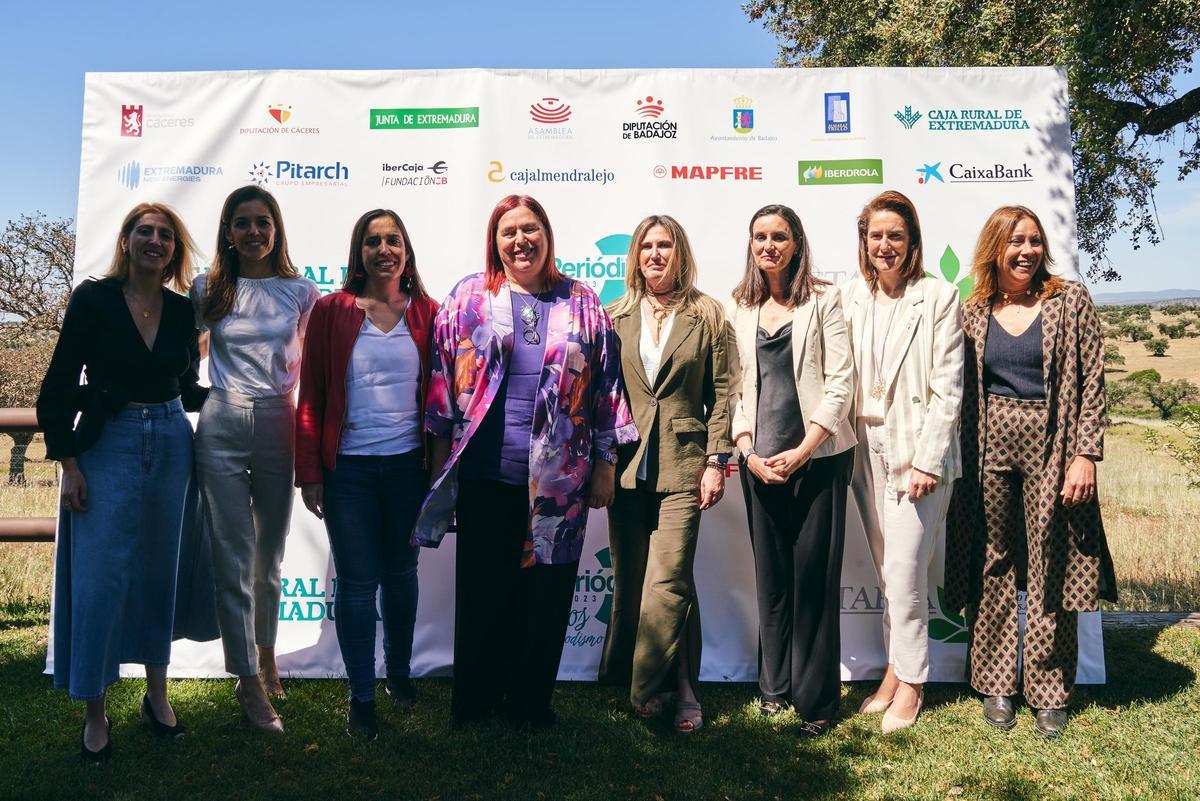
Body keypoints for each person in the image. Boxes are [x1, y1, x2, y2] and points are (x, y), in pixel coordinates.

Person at [413, 194, 637, 729]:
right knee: (484, 592)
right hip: (487, 474)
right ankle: (475, 704)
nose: (520, 240)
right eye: (509, 231)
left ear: (547, 234)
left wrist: (606, 463)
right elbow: (442, 386)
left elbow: (606, 386)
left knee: (546, 595)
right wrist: (440, 471)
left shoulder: (581, 300)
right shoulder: (469, 297)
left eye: (530, 228)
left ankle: (531, 704)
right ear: (495, 241)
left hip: (561, 482)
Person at [37, 202, 205, 761]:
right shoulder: (94, 300)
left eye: (164, 234)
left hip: (172, 437)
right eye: (144, 231)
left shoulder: (183, 311)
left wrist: (250, 403)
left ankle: (157, 698)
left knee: (161, 571)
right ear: (126, 241)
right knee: (101, 578)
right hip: (107, 444)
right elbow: (59, 384)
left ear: (173, 249)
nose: (154, 241)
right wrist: (69, 464)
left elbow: (188, 387)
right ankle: (94, 712)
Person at [944, 206, 1116, 739]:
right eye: (1016, 241)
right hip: (986, 439)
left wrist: (1085, 453)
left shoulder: (1068, 300)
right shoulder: (973, 308)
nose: (1026, 251)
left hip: (1053, 439)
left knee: (1050, 561)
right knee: (991, 559)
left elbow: (1093, 382)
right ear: (994, 247)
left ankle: (1047, 689)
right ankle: (996, 681)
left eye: (1034, 241)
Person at [295, 209, 438, 740]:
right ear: (359, 251)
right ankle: (362, 695)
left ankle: (398, 671)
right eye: (373, 241)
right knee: (357, 584)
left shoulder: (429, 312)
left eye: (393, 240)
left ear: (406, 250)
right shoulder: (332, 311)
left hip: (408, 467)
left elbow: (444, 397)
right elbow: (310, 396)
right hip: (347, 472)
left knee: (401, 575)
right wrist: (310, 471)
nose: (384, 249)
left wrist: (440, 471)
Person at [190, 185, 319, 733]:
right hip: (220, 420)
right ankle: (245, 680)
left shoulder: (300, 290)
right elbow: (184, 352)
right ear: (228, 231)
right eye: (241, 222)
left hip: (278, 420)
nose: (253, 232)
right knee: (232, 556)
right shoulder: (207, 289)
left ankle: (267, 657)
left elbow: (309, 365)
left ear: (277, 228)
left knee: (270, 556)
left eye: (262, 222)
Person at [726, 203, 856, 737]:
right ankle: (774, 689)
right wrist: (747, 452)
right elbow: (733, 388)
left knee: (813, 583)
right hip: (760, 465)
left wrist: (803, 451)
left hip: (819, 461)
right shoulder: (737, 306)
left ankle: (817, 701)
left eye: (779, 236)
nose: (769, 246)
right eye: (760, 236)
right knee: (771, 581)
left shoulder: (824, 300)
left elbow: (841, 382)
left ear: (797, 243)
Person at [599, 214, 731, 734]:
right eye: (647, 246)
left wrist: (718, 461)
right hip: (627, 469)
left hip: (684, 465)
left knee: (669, 581)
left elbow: (723, 395)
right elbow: (604, 394)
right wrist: (602, 464)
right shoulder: (615, 316)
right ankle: (675, 683)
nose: (656, 254)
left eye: (666, 245)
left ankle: (650, 690)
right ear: (635, 255)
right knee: (633, 582)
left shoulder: (709, 315)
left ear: (681, 253)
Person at [839, 191, 963, 733]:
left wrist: (928, 461)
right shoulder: (850, 296)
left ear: (912, 241)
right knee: (888, 573)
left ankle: (913, 683)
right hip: (863, 447)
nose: (884, 245)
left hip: (916, 452)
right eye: (875, 236)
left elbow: (948, 390)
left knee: (907, 573)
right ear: (863, 243)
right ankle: (893, 669)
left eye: (895, 235)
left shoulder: (938, 297)